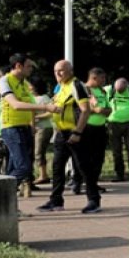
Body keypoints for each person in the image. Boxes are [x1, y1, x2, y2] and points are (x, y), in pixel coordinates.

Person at [37, 60, 99, 214]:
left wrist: (78, 132)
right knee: (57, 167)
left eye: (61, 70)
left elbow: (85, 110)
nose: (58, 73)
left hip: (76, 132)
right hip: (61, 133)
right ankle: (56, 200)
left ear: (70, 71)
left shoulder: (76, 85)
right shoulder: (61, 88)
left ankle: (94, 200)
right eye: (56, 71)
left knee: (84, 167)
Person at [0, 54, 58, 197]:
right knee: (23, 167)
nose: (31, 69)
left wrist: (32, 124)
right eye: (29, 66)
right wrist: (46, 108)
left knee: (16, 166)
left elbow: (31, 105)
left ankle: (7, 204)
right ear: (18, 66)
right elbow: (15, 104)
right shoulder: (5, 81)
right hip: (11, 127)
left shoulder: (24, 83)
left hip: (24, 128)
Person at [105, 77, 129, 182]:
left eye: (121, 90)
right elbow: (93, 91)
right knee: (117, 151)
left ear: (127, 86)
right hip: (113, 124)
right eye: (117, 91)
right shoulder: (108, 90)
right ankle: (119, 175)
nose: (118, 92)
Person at [84, 68, 112, 191]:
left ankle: (93, 183)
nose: (104, 81)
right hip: (87, 127)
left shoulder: (102, 91)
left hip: (100, 128)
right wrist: (97, 110)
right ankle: (80, 182)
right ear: (94, 78)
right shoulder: (85, 90)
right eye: (102, 78)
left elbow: (108, 109)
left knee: (98, 157)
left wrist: (99, 110)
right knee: (86, 157)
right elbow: (85, 109)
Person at [30, 77, 54, 185]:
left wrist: (38, 117)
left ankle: (43, 175)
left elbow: (51, 112)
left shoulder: (44, 98)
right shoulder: (31, 98)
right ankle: (40, 173)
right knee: (36, 152)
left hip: (44, 128)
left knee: (39, 152)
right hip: (35, 128)